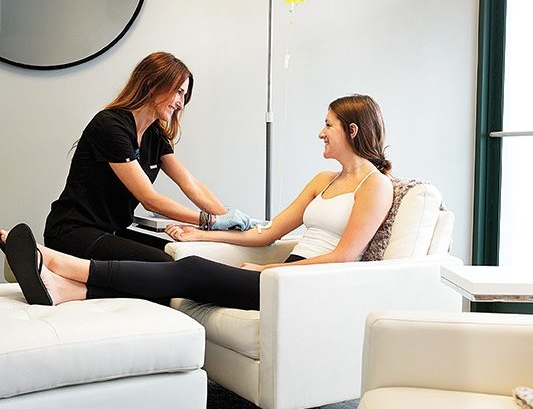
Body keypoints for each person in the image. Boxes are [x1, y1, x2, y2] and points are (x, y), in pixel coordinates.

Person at [3, 94, 394, 310]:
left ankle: (54, 260)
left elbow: (344, 258)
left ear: (352, 130)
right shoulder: (323, 180)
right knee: (180, 264)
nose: (320, 133)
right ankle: (63, 288)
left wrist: (275, 270)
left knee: (189, 272)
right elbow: (266, 233)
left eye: (328, 124)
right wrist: (202, 231)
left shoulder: (375, 186)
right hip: (283, 274)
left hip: (303, 284)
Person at [43, 51, 256, 264]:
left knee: (183, 257)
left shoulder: (154, 135)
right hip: (71, 232)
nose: (181, 104)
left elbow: (189, 183)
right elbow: (149, 199)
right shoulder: (110, 126)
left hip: (110, 231)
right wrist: (211, 221)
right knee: (162, 266)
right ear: (153, 85)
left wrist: (230, 220)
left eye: (185, 96)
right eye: (178, 92)